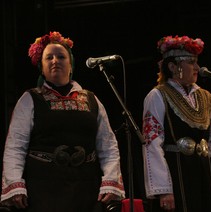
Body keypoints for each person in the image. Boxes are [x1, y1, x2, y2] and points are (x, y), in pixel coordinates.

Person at [0, 31, 125, 212]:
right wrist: (15, 183)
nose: (55, 61)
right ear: (42, 68)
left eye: (61, 57)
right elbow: (15, 145)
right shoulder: (30, 99)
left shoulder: (91, 99)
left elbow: (108, 144)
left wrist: (111, 180)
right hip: (42, 189)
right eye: (48, 57)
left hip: (86, 187)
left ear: (71, 65)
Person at [142, 35, 211, 212]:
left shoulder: (206, 96)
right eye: (190, 62)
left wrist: (202, 154)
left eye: (196, 62)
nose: (196, 68)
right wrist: (164, 189)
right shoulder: (158, 95)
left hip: (201, 170)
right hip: (175, 171)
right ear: (173, 67)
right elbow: (152, 143)